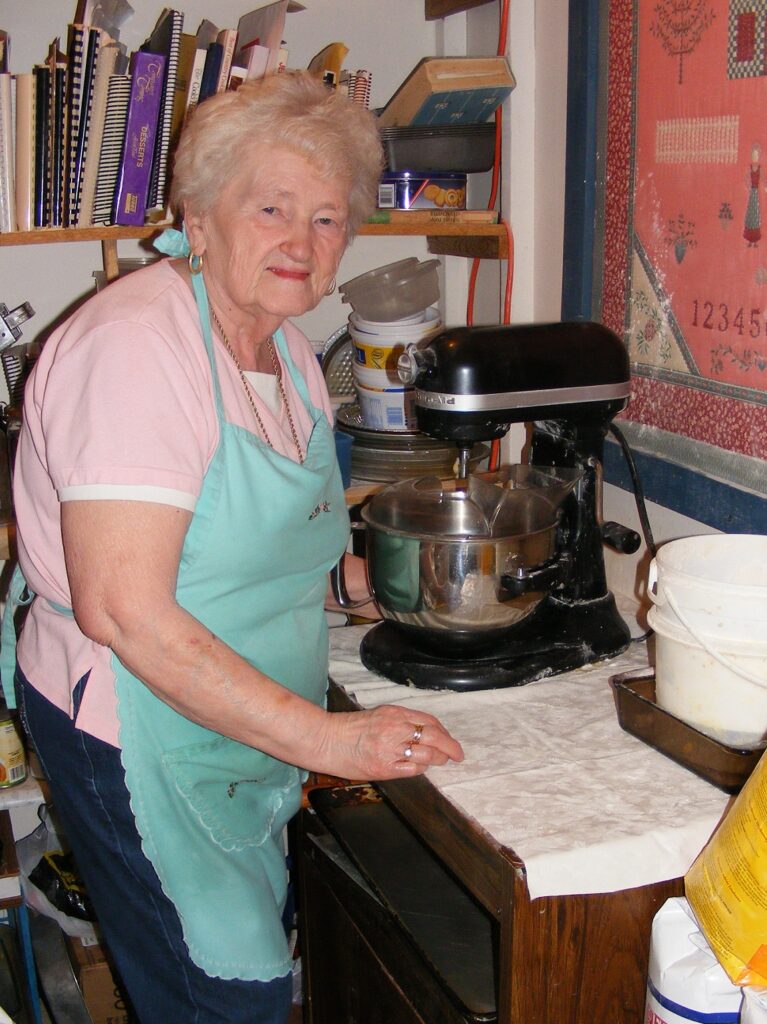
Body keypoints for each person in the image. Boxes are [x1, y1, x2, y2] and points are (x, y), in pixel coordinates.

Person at [1, 71, 464, 1024]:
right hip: (136, 718)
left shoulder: (288, 350)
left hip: (240, 715)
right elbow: (125, 610)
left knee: (247, 967)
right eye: (270, 206)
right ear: (197, 218)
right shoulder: (135, 348)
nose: (300, 241)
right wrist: (336, 739)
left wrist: (379, 586)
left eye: (329, 219)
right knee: (221, 992)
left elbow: (262, 550)